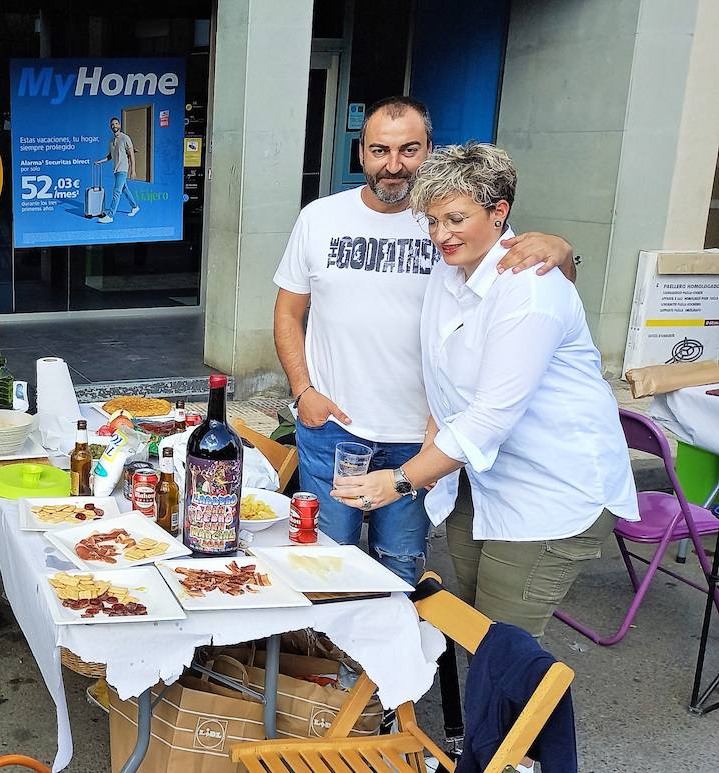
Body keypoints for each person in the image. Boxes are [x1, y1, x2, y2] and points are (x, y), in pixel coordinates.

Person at [332, 142, 638, 638]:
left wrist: (401, 480)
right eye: (432, 221)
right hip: (480, 479)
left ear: (499, 212)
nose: (441, 235)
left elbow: (491, 415)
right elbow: (442, 376)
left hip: (551, 491)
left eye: (456, 219)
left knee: (506, 647)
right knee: (475, 630)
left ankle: (518, 695)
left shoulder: (530, 287)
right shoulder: (449, 269)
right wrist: (431, 452)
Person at [272, 96, 576, 585]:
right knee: (325, 560)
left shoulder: (459, 222)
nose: (393, 165)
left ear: (429, 150)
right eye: (379, 150)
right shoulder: (319, 218)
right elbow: (288, 311)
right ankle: (328, 638)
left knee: (399, 562)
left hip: (423, 436)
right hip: (333, 426)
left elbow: (534, 277)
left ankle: (390, 638)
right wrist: (303, 390)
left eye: (409, 150)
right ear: (361, 153)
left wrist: (562, 251)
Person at [95, 116, 139, 223]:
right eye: (112, 124)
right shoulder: (111, 141)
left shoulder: (125, 138)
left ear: (119, 125)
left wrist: (133, 170)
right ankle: (135, 207)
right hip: (116, 170)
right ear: (111, 127)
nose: (114, 125)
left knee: (116, 192)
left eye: (116, 123)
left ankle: (110, 216)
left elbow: (131, 154)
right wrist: (100, 161)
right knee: (124, 189)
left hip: (123, 169)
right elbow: (110, 156)